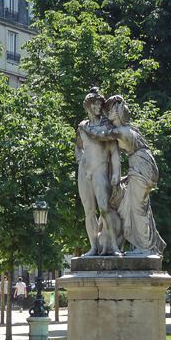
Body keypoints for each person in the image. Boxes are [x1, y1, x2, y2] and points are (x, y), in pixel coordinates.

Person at [83, 94, 166, 255]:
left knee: (137, 208)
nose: (107, 112)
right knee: (137, 205)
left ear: (119, 112)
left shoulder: (121, 131)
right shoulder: (129, 129)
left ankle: (145, 248)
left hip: (141, 165)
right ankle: (144, 245)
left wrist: (84, 127)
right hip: (141, 165)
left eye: (111, 109)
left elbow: (100, 135)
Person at [76, 87, 123, 256]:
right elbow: (78, 146)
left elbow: (115, 152)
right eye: (95, 104)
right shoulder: (83, 127)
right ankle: (94, 247)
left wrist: (117, 172)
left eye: (99, 104)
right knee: (89, 212)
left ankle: (113, 246)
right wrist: (80, 160)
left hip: (100, 170)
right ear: (88, 106)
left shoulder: (107, 127)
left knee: (104, 208)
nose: (98, 107)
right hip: (84, 171)